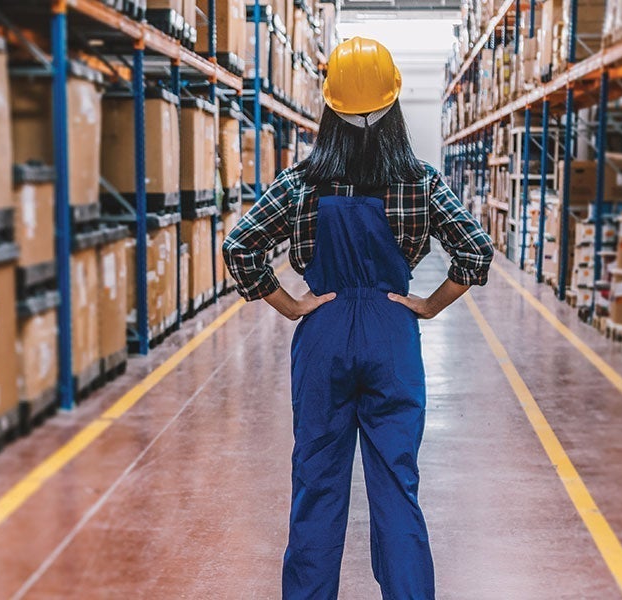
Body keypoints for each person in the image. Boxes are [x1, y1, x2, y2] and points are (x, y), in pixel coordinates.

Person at [222, 36, 495, 600]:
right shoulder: (419, 180)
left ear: (329, 106)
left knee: (317, 483)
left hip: (323, 333)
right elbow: (475, 251)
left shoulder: (302, 181)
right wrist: (427, 305)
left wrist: (292, 305)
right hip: (392, 334)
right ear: (395, 105)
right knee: (397, 485)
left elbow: (242, 247)